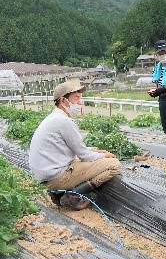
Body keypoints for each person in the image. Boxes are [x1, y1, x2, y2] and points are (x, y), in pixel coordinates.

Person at [28, 81, 121, 210]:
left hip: (45, 177)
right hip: (56, 178)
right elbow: (85, 156)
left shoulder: (53, 118)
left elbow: (76, 149)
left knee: (91, 155)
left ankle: (58, 194)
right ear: (63, 101)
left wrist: (94, 150)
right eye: (76, 98)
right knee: (114, 164)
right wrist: (105, 155)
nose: (79, 102)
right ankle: (74, 194)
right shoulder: (64, 121)